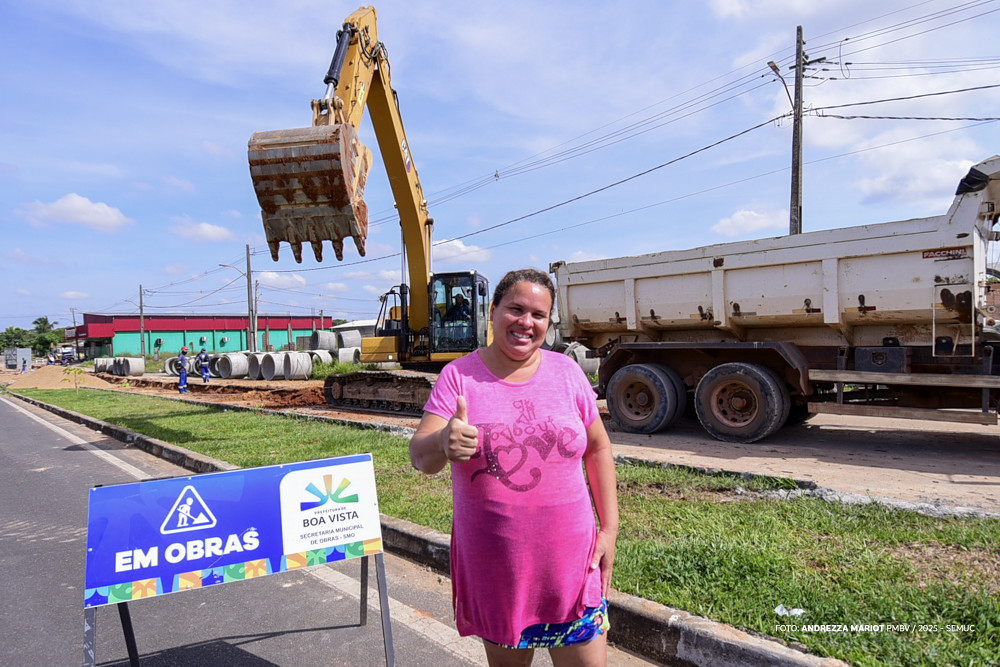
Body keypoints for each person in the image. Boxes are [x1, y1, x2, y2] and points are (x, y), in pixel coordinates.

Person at [409, 268, 619, 667]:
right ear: (492, 312)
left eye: (539, 315)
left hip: (573, 567)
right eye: (516, 309)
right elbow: (421, 457)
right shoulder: (458, 377)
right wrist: (442, 441)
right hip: (499, 571)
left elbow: (598, 447)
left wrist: (609, 529)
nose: (526, 322)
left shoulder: (567, 373)